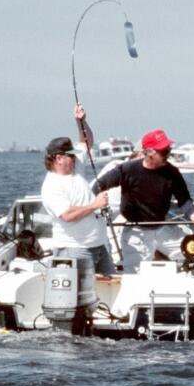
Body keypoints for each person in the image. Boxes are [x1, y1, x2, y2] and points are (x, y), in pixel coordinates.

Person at [95, 127, 194, 273]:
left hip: (162, 227)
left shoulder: (172, 172)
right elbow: (98, 185)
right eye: (163, 151)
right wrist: (96, 203)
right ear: (148, 152)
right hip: (136, 231)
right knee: (133, 275)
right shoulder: (127, 169)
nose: (168, 153)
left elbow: (184, 199)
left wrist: (193, 214)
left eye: (168, 149)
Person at [39, 104, 116, 276]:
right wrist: (95, 205)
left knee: (111, 286)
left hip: (98, 245)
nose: (75, 158)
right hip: (74, 250)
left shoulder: (75, 167)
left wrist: (81, 122)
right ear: (58, 158)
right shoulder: (51, 185)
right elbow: (67, 215)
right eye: (70, 155)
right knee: (79, 295)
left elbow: (86, 142)